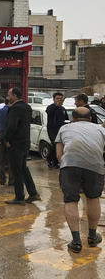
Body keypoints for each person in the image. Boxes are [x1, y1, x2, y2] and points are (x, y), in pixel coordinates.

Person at [55, 106, 105, 253]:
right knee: (93, 198)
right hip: (95, 166)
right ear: (90, 118)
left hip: (70, 164)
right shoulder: (101, 130)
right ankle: (92, 236)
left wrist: (64, 165)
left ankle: (76, 241)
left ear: (73, 119)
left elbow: (59, 154)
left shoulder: (64, 129)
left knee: (71, 200)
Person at [4, 87, 40, 205]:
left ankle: (19, 197)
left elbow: (12, 126)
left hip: (15, 143)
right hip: (25, 143)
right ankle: (33, 193)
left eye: (9, 95)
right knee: (23, 168)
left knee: (16, 170)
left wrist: (7, 139)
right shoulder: (27, 107)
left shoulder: (15, 108)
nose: (7, 98)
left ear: (14, 96)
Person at [46, 92, 68, 169]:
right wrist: (56, 106)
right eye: (57, 98)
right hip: (52, 130)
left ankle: (55, 161)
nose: (59, 100)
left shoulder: (63, 109)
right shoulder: (50, 107)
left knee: (58, 146)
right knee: (55, 144)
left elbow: (66, 119)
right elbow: (49, 112)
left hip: (61, 130)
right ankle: (50, 160)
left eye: (60, 99)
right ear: (54, 99)